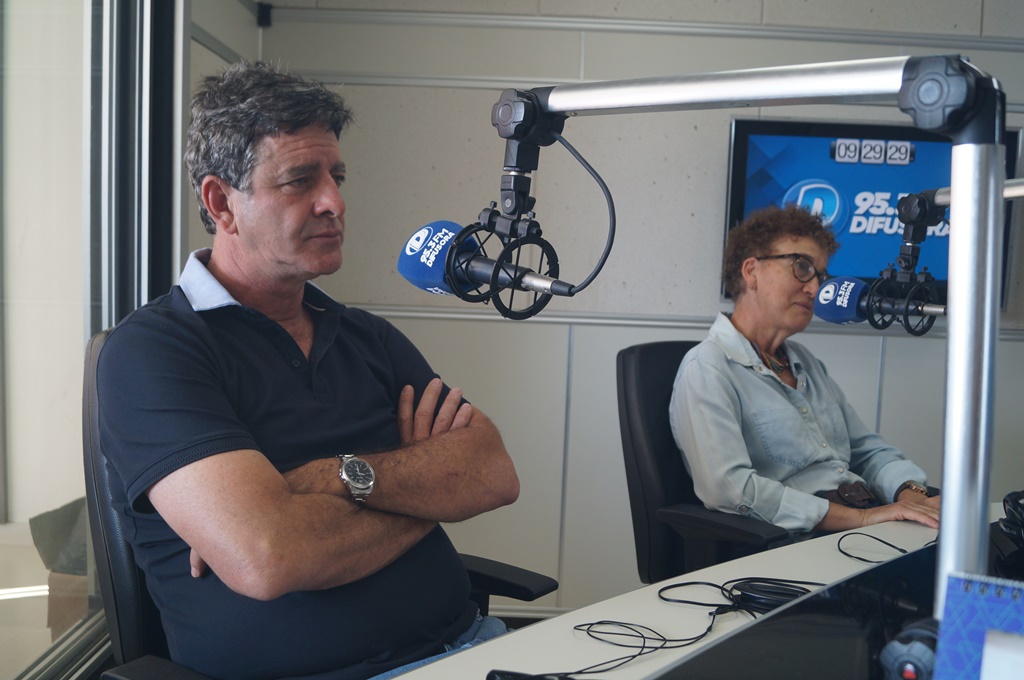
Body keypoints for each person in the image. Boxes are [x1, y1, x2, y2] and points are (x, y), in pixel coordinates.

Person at [96, 61, 520, 680]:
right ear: (221, 203)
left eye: (336, 177)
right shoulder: (153, 352)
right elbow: (270, 556)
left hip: (476, 647)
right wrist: (426, 490)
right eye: (300, 181)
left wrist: (329, 477)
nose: (335, 203)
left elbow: (491, 474)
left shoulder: (365, 335)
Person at [669, 204, 940, 534]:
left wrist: (912, 497)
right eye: (801, 267)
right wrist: (861, 519)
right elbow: (729, 489)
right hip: (804, 540)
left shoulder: (805, 362)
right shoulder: (707, 367)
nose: (815, 289)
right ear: (751, 271)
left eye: (820, 276)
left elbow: (867, 452)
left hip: (866, 518)